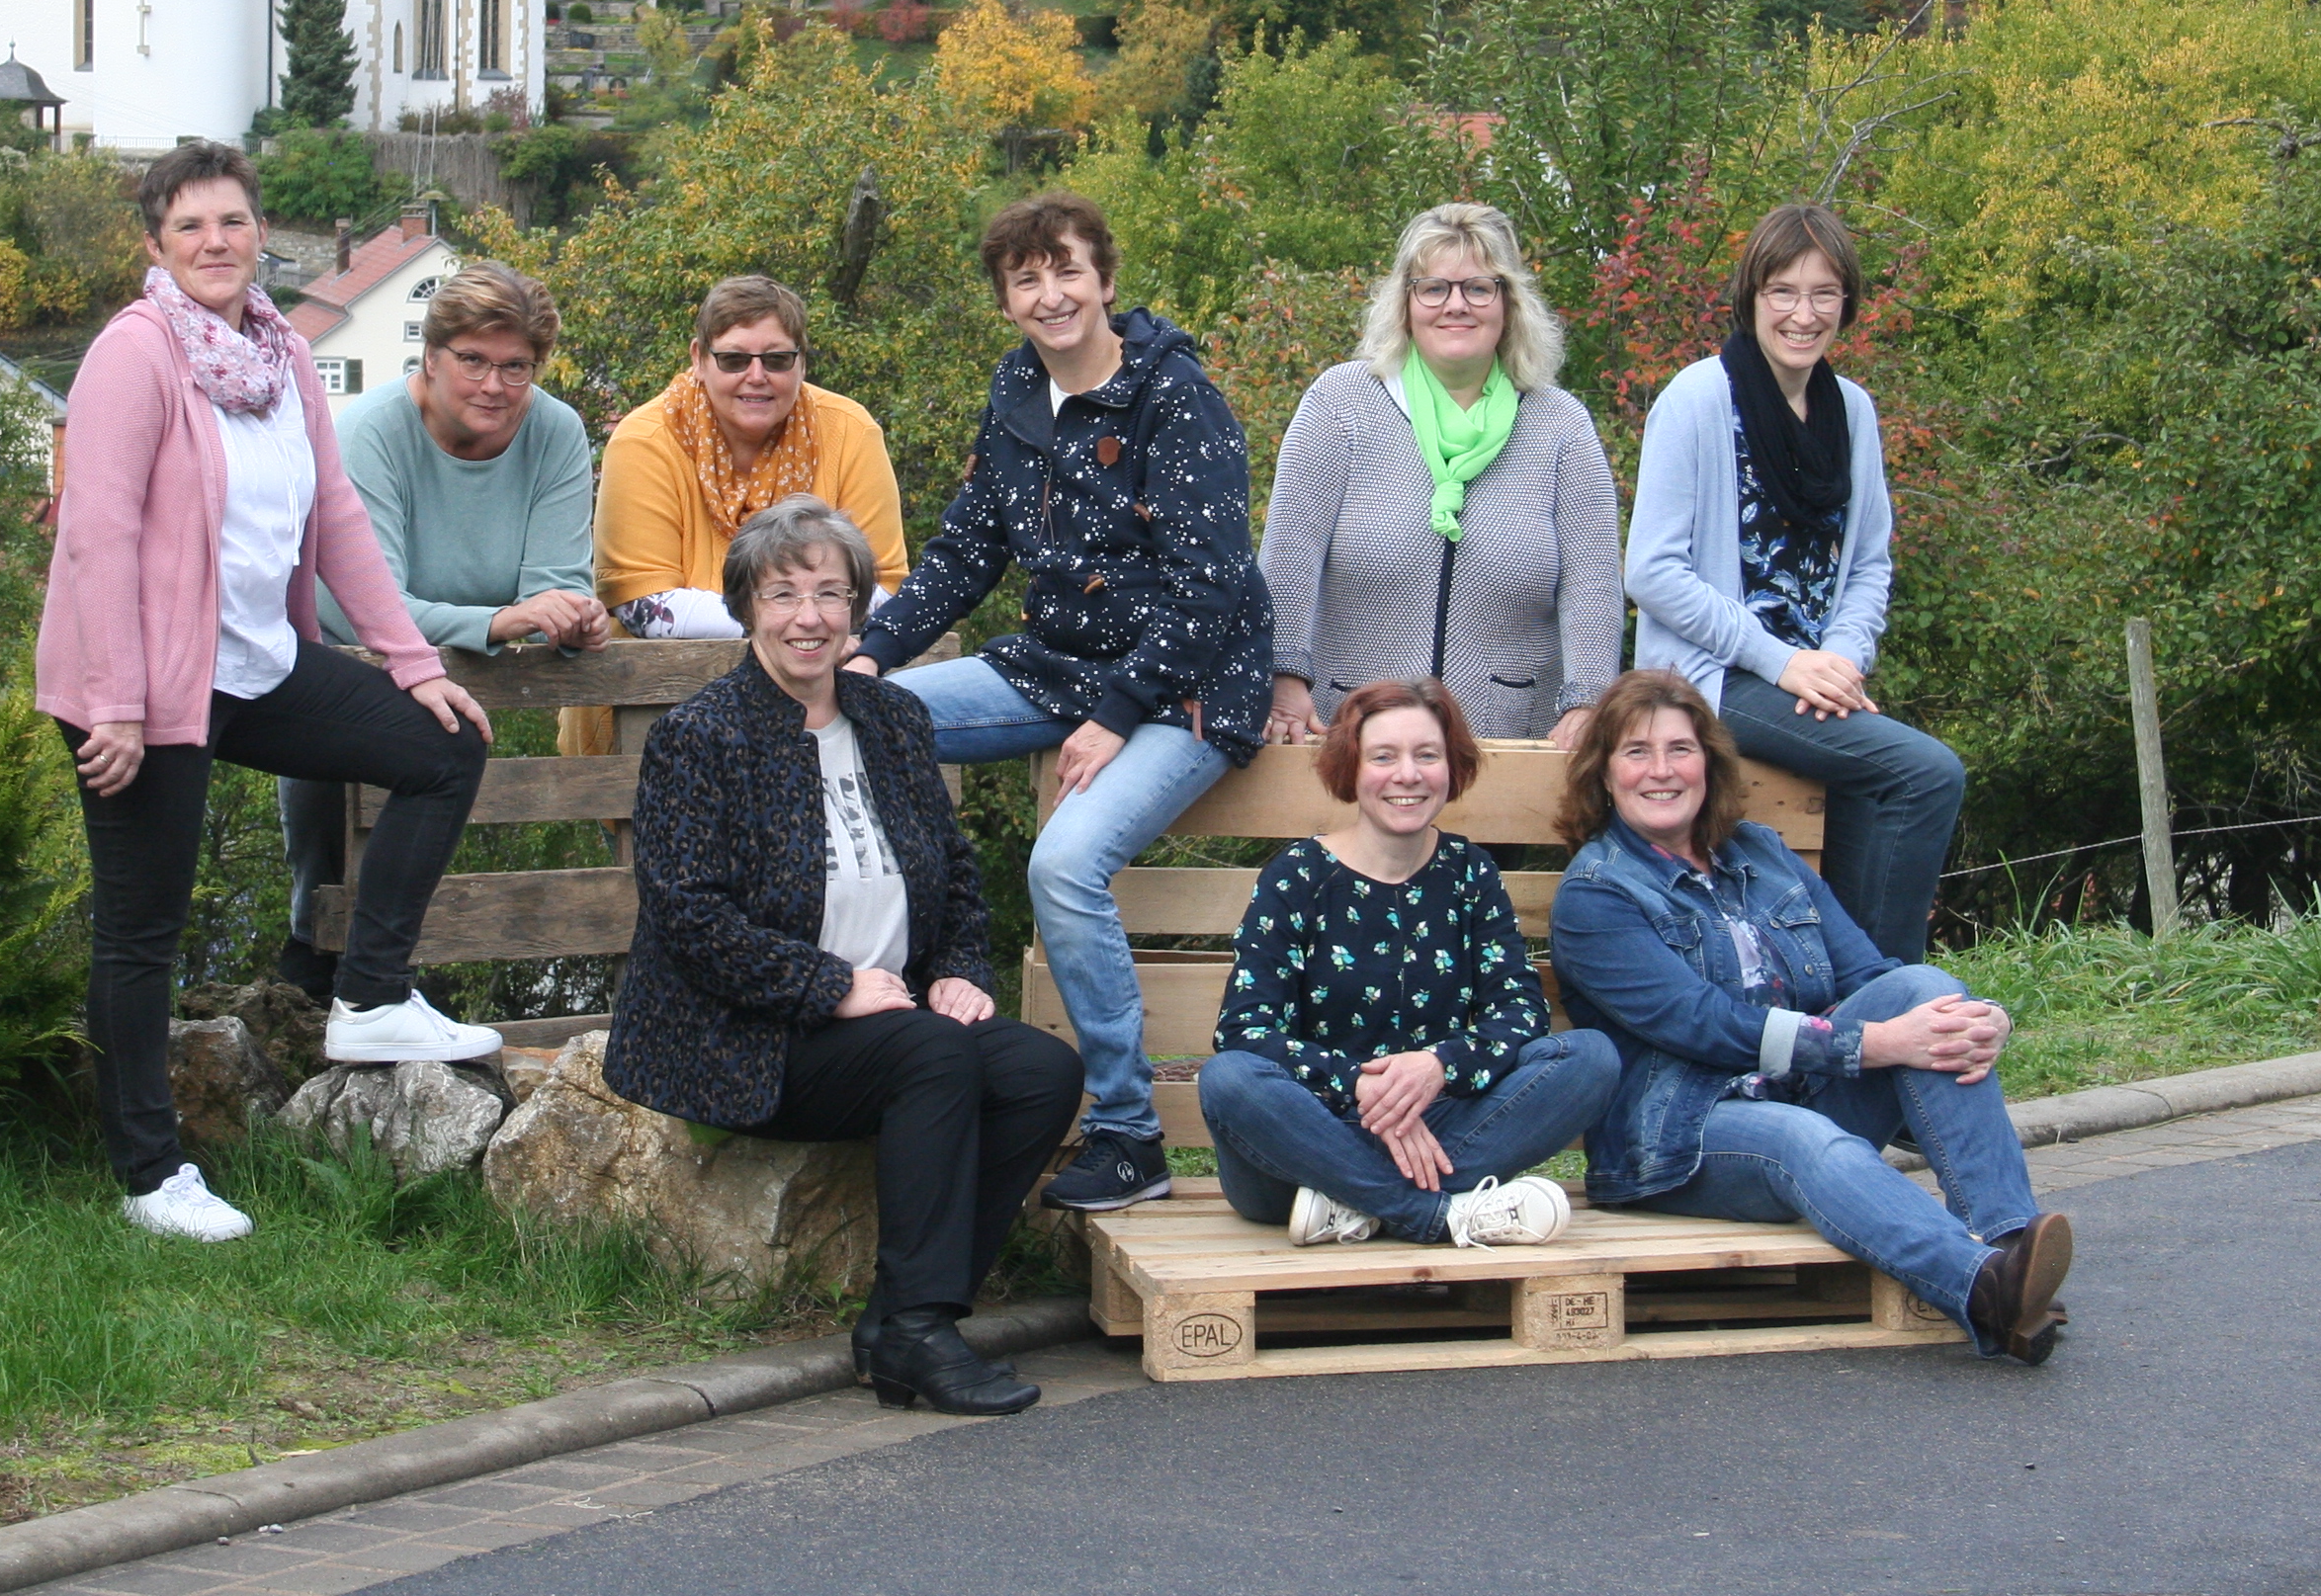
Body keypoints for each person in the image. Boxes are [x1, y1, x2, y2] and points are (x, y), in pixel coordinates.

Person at [36, 142, 497, 1241]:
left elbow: (336, 514)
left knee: (442, 750)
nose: (215, 243)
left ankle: (373, 997)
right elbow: (94, 535)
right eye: (190, 226)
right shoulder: (133, 356)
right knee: (142, 932)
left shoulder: (282, 354)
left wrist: (413, 662)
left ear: (261, 235)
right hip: (145, 682)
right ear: (157, 244)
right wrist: (113, 703)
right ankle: (152, 1177)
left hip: (254, 661)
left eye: (233, 223)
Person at [605, 495, 1082, 1416]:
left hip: (890, 1018)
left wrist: (957, 971)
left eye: (831, 593)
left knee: (1038, 1070)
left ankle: (903, 1314)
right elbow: (686, 915)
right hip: (755, 1033)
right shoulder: (701, 735)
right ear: (747, 609)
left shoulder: (891, 719)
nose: (809, 617)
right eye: (783, 595)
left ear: (859, 608)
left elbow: (950, 872)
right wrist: (826, 988)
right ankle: (918, 1335)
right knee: (932, 1055)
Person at [846, 192, 1273, 1215]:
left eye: (1067, 271)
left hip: (1187, 688)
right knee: (861, 722)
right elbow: (962, 552)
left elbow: (1211, 587)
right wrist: (869, 654)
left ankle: (1128, 1135)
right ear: (1006, 300)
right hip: (1056, 664)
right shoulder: (1014, 394)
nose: (1051, 295)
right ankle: (889, 1006)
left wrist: (1119, 712)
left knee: (1065, 863)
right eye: (1026, 279)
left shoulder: (1176, 398)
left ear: (1107, 281)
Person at [1545, 669, 2072, 1365]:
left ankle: (2010, 1244)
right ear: (1605, 774)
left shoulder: (1762, 853)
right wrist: (1874, 1044)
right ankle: (1985, 1287)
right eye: (1636, 752)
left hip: (1801, 1089)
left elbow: (1871, 975)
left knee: (1925, 986)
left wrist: (1982, 1017)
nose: (1662, 770)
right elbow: (1707, 1026)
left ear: (1708, 761)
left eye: (1680, 749)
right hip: (1681, 1136)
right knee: (1806, 1139)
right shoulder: (1596, 895)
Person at [1620, 202, 1965, 962]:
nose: (1803, 314)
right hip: (1715, 678)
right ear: (1751, 297)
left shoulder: (1853, 412)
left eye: (1823, 294)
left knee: (1880, 783)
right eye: (1783, 291)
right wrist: (1783, 661)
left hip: (1813, 679)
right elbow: (1651, 570)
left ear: (1847, 303)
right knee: (1925, 773)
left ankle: (1854, 999)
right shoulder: (1700, 398)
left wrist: (1840, 659)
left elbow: (1871, 560)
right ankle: (1884, 993)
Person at [273, 262, 604, 1004]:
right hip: (354, 658)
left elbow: (557, 581)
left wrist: (571, 617)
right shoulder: (368, 432)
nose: (493, 385)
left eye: (515, 367)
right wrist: (496, 622)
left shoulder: (554, 431)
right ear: (431, 356)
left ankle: (419, 987)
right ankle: (316, 972)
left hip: (473, 689)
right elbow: (368, 603)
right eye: (474, 361)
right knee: (332, 826)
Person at [1199, 678, 1620, 1249]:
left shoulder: (1470, 874)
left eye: (1427, 755)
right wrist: (1364, 1088)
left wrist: (1436, 1068)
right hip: (1305, 1146)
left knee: (1589, 1056)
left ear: (1452, 767)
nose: (1408, 775)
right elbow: (1244, 1030)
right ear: (1352, 767)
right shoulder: (1298, 874)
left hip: (1445, 1130)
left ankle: (1364, 1206)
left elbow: (1520, 1013)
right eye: (1383, 756)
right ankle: (1439, 1217)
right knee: (1229, 1079)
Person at [1261, 202, 1621, 749]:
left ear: (1509, 303)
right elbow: (1290, 553)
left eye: (1479, 287)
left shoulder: (1560, 423)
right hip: (1351, 737)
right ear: (1405, 303)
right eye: (1433, 288)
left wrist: (1588, 702)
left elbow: (1591, 580)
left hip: (1508, 744)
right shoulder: (1340, 404)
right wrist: (1284, 676)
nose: (1456, 305)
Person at [594, 275, 907, 639]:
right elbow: (644, 605)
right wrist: (797, 619)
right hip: (660, 687)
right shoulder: (644, 440)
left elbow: (884, 589)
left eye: (776, 360)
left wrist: (782, 624)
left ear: (802, 362)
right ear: (699, 359)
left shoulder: (850, 431)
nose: (756, 376)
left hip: (821, 678)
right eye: (733, 359)